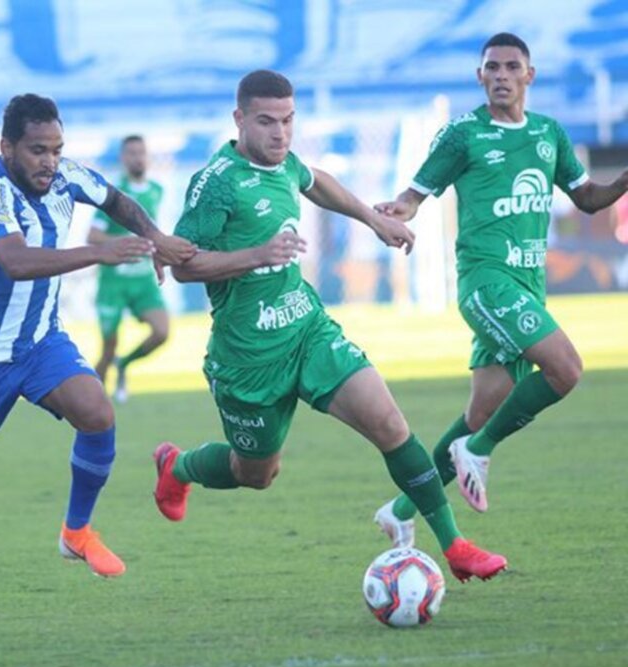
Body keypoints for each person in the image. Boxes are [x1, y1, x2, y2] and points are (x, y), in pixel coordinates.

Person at [151, 69, 507, 583]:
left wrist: (372, 217)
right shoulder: (216, 183)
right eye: (267, 121)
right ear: (240, 119)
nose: (280, 133)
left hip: (307, 330)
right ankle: (178, 467)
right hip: (247, 357)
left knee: (389, 424)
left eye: (289, 120)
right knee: (256, 474)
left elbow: (315, 182)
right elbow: (184, 264)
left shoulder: (285, 162)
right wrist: (256, 255)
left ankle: (455, 545)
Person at [0, 94, 196, 615]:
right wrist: (100, 252)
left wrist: (154, 236)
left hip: (41, 340)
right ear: (7, 148)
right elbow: (16, 261)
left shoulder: (67, 176)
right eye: (37, 150)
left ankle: (76, 531)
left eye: (56, 148)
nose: (49, 160)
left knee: (97, 413)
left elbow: (115, 200)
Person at [373, 33, 628, 547]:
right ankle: (479, 450)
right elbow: (414, 194)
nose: (502, 75)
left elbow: (588, 200)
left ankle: (401, 510)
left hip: (527, 288)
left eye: (512, 66)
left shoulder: (548, 134)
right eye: (492, 67)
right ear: (480, 76)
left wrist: (622, 181)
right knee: (566, 368)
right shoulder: (462, 134)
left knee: (482, 411)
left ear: (529, 75)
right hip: (486, 282)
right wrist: (400, 210)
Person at [89, 135, 169, 403]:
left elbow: (154, 231)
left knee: (162, 332)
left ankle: (124, 365)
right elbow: (93, 236)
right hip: (113, 282)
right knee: (108, 348)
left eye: (141, 152)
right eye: (131, 153)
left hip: (143, 280)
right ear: (123, 158)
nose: (137, 157)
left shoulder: (156, 190)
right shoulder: (113, 195)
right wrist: (122, 243)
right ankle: (92, 403)